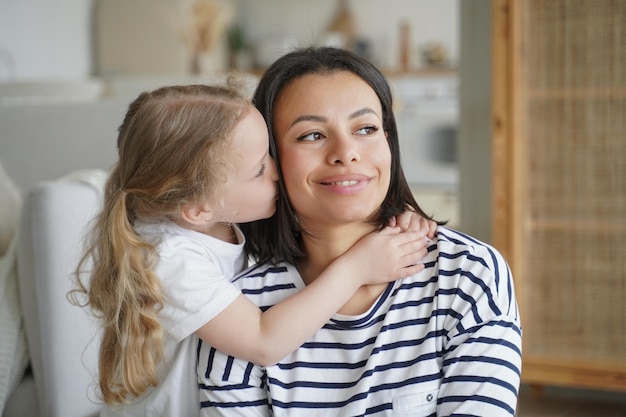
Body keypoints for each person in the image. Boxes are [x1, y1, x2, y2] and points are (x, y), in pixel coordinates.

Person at [72, 83, 436, 416]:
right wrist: (358, 267)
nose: (278, 171)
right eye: (259, 169)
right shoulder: (169, 259)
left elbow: (326, 214)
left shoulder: (221, 213)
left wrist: (393, 218)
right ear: (199, 209)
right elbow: (264, 341)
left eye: (270, 154)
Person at [197, 47, 522, 416]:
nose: (346, 152)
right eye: (312, 135)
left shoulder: (467, 275)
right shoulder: (237, 311)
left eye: (365, 128)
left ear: (388, 141)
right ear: (268, 159)